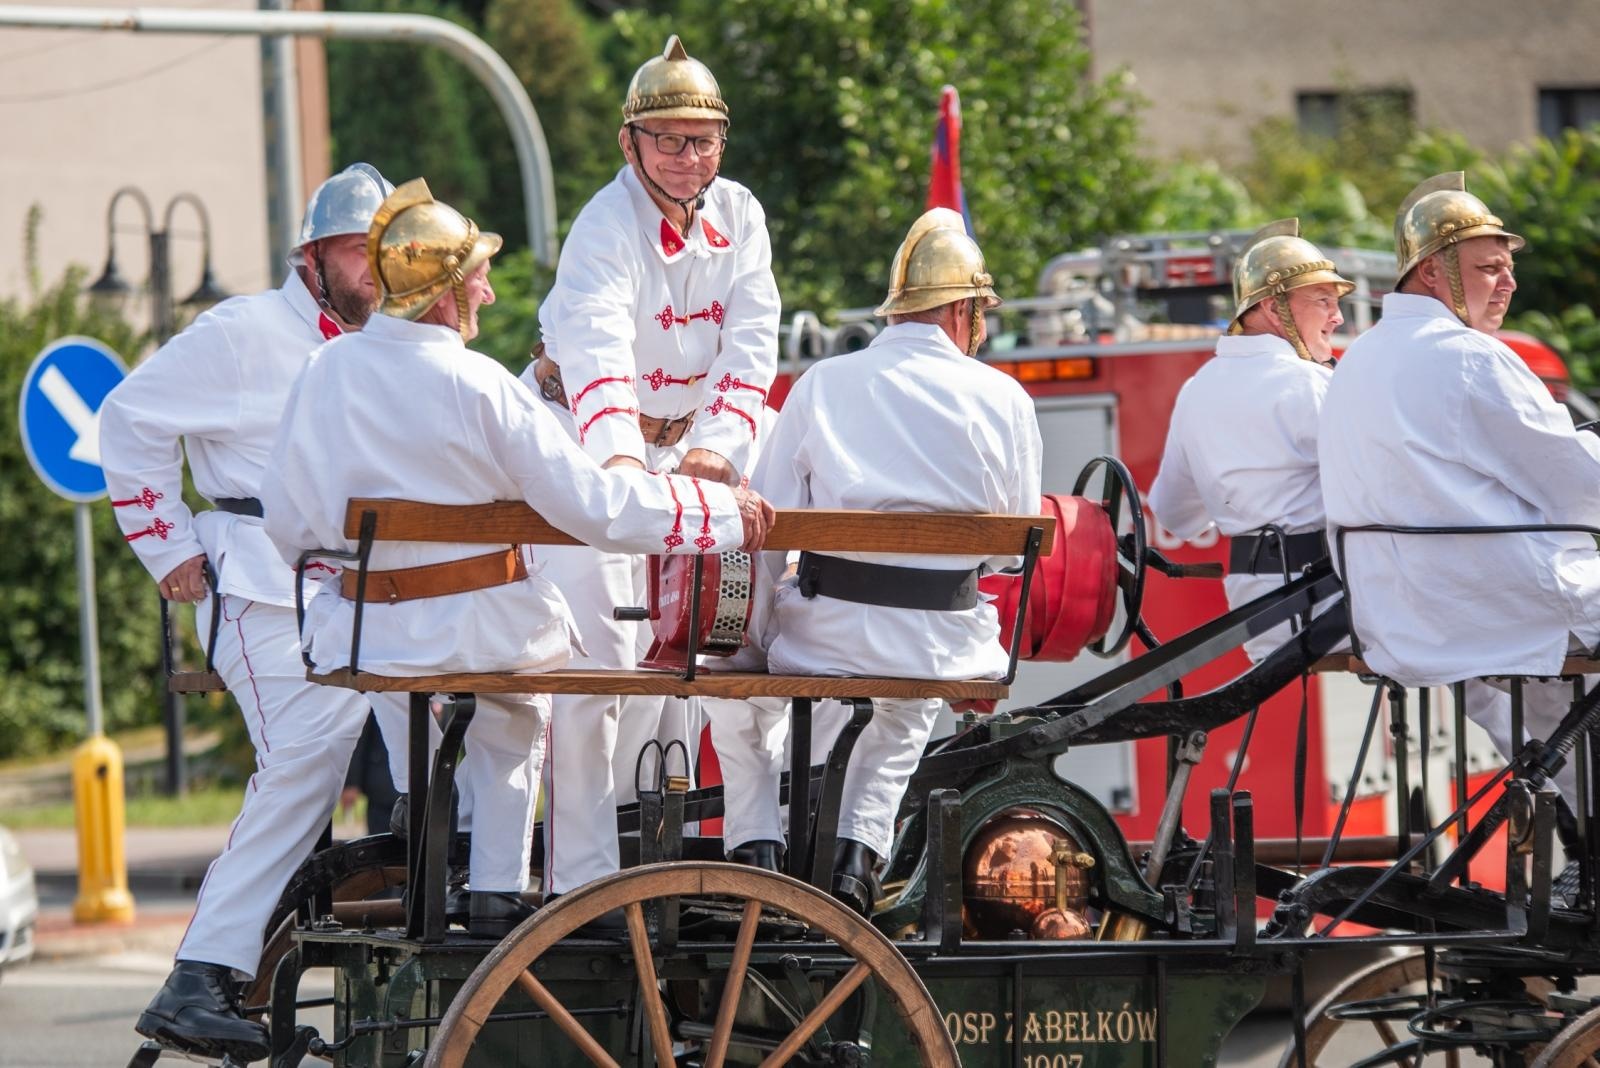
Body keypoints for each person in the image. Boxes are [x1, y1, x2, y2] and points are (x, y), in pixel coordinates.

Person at [261, 178, 773, 939]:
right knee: (532, 696)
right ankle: (501, 892)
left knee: (470, 710)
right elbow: (600, 509)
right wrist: (719, 514)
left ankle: (456, 870)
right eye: (477, 278)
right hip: (476, 635)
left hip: (361, 635)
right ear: (440, 293)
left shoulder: (322, 374)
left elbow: (287, 521)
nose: (491, 295)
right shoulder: (485, 388)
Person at [101, 163, 395, 1062]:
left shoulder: (390, 341)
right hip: (263, 586)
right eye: (358, 251)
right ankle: (198, 975)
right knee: (305, 760)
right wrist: (170, 547)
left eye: (388, 253)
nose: (374, 271)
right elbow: (126, 419)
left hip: (363, 595)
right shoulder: (242, 333)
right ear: (311, 257)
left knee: (430, 751)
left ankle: (385, 958)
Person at [705, 208, 1043, 912]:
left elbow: (764, 525)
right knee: (904, 705)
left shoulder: (823, 384)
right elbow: (1011, 555)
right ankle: (857, 855)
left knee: (730, 690)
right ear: (962, 310)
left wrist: (751, 638)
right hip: (942, 641)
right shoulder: (1004, 397)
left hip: (827, 635)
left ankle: (757, 843)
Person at [523, 33, 780, 900]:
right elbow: (595, 361)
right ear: (629, 144)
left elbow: (752, 347)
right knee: (600, 655)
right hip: (582, 438)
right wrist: (630, 478)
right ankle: (583, 887)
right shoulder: (604, 226)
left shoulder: (740, 214)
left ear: (723, 145)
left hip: (692, 447)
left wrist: (715, 452)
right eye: (667, 139)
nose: (685, 157)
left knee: (728, 633)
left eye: (701, 140)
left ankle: (744, 843)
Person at [1319, 171, 1600, 799]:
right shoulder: (1472, 355)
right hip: (1493, 603)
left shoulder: (1356, 359)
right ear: (1431, 272)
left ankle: (1581, 840)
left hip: (1402, 615)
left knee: (1556, 702)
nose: (1509, 282)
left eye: (1507, 268)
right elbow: (1583, 491)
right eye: (1489, 267)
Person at [1149, 219, 1353, 661]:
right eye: (1323, 300)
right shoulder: (1313, 385)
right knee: (1482, 639)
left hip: (1254, 614)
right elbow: (1382, 490)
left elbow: (1173, 514)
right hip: (1330, 606)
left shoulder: (1197, 388)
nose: (1337, 316)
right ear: (1275, 308)